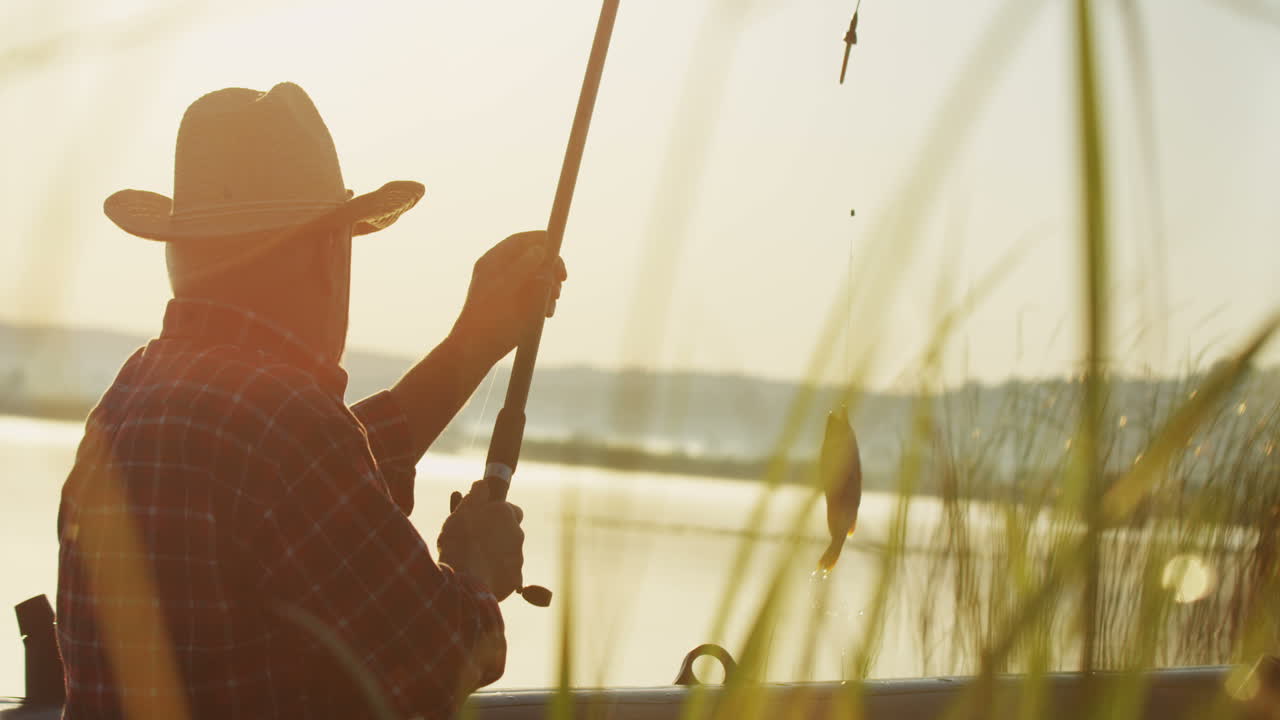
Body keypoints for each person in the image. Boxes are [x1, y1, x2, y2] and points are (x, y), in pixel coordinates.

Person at [55, 82, 566, 719]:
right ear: (327, 254)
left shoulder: (133, 395)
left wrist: (469, 346)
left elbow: (299, 479)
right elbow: (444, 652)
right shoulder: (283, 426)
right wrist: (475, 570)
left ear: (180, 253)